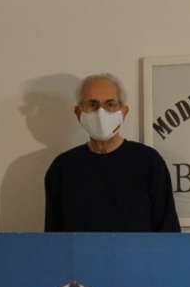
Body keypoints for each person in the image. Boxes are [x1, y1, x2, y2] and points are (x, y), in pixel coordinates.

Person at [44, 72, 181, 232]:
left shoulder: (149, 162)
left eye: (110, 104)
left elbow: (168, 231)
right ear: (78, 112)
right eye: (92, 104)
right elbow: (53, 235)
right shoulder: (62, 167)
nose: (101, 113)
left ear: (124, 111)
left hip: (138, 250)